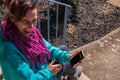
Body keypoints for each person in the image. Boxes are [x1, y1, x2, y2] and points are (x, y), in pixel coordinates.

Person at [0, 0, 82, 80]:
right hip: (42, 75)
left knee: (64, 49)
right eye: (25, 21)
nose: (31, 27)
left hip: (40, 67)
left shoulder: (28, 33)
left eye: (34, 20)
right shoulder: (9, 53)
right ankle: (73, 73)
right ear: (12, 17)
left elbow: (48, 48)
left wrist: (68, 57)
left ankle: (72, 71)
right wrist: (48, 72)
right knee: (67, 64)